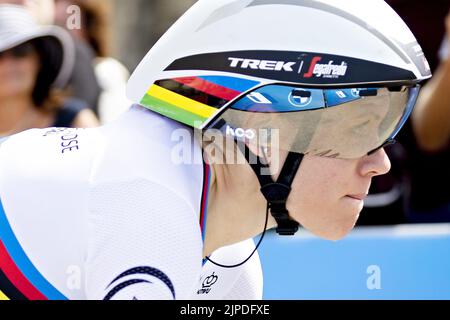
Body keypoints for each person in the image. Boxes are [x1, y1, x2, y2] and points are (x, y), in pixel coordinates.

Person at [0, 0, 430, 300]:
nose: (381, 162)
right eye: (358, 131)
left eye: (386, 130)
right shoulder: (153, 208)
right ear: (262, 127)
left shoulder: (228, 253)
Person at [54, 0, 131, 124]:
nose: (63, 34)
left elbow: (115, 126)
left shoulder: (107, 70)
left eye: (69, 23)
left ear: (89, 26)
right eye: (57, 25)